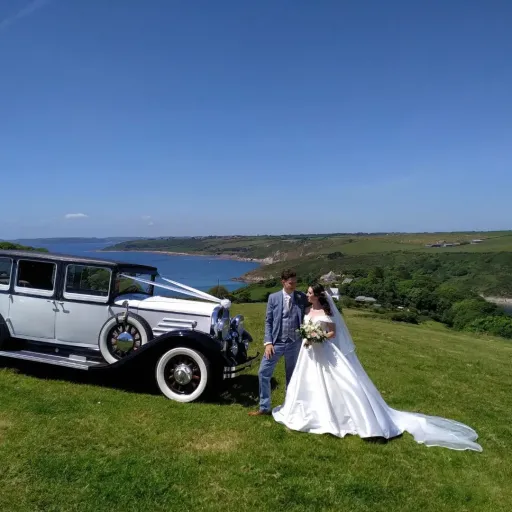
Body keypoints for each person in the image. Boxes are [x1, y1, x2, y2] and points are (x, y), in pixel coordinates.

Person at [272, 283, 483, 452]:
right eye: (308, 293)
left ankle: (342, 418)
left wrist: (318, 337)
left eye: (309, 293)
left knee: (341, 384)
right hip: (308, 353)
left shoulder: (327, 314)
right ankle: (305, 411)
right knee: (307, 383)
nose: (307, 295)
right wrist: (309, 338)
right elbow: (307, 326)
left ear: (317, 296)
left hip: (324, 351)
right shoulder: (309, 310)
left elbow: (332, 334)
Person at [248, 269, 309, 416]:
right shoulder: (273, 298)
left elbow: (312, 311)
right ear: (283, 281)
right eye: (291, 283)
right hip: (276, 343)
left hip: (295, 343)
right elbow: (268, 321)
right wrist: (268, 343)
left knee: (292, 376)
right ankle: (264, 407)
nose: (294, 285)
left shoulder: (301, 297)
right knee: (263, 372)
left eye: (295, 282)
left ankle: (290, 407)